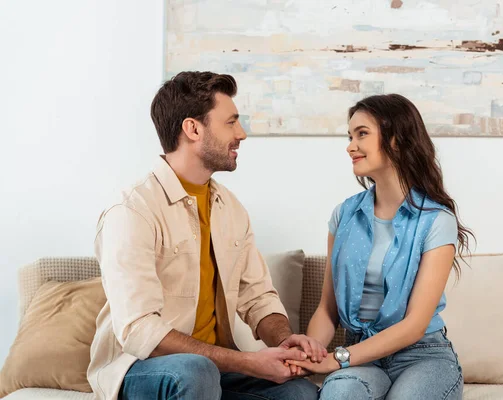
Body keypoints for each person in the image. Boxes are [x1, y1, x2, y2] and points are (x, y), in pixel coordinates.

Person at [88, 71, 323, 400]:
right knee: (196, 371)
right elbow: (139, 331)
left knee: (298, 392)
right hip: (142, 368)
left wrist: (283, 340)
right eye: (231, 122)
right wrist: (248, 362)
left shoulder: (230, 208)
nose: (241, 133)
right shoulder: (133, 211)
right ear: (193, 128)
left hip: (216, 370)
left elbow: (257, 297)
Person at [289, 94, 474, 399]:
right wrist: (311, 354)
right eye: (350, 136)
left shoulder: (436, 221)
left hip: (422, 355)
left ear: (396, 140)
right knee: (339, 394)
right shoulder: (343, 215)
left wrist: (338, 358)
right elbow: (327, 309)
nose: (350, 146)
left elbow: (415, 325)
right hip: (361, 352)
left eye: (362, 134)